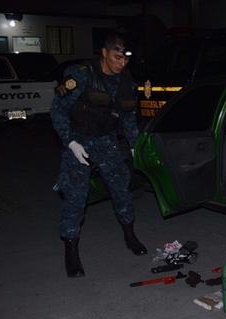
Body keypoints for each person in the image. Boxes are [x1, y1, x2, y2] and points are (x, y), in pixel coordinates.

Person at [51, 31, 147, 278]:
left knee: (121, 189)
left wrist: (135, 145)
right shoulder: (81, 75)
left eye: (125, 59)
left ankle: (130, 235)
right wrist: (70, 142)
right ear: (104, 53)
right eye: (117, 57)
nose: (121, 63)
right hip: (79, 140)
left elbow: (127, 116)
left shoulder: (125, 80)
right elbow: (58, 111)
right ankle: (71, 252)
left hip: (106, 141)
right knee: (76, 197)